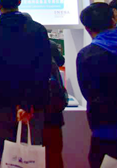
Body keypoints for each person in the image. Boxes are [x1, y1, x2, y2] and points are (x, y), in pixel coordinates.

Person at [0, 0, 51, 162]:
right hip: (33, 105)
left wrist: (13, 102)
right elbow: (43, 70)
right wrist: (26, 103)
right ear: (19, 1)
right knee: (31, 156)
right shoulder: (38, 30)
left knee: (7, 156)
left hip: (3, 104)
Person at [78, 2, 117, 168]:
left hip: (106, 130)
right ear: (113, 21)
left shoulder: (87, 56)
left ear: (87, 28)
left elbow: (90, 95)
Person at [44, 37, 66, 168]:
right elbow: (61, 61)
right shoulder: (50, 44)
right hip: (53, 113)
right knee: (54, 156)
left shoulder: (19, 48)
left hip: (29, 112)